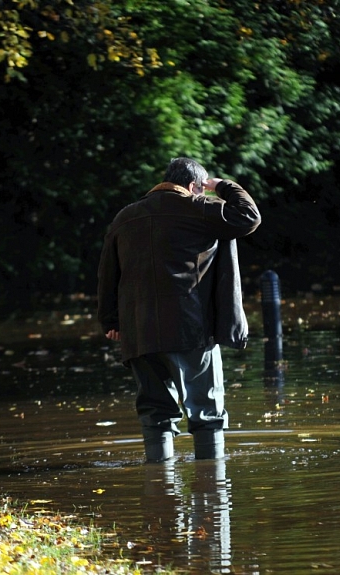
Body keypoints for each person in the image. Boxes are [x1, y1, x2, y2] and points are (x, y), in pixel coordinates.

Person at [97, 157, 262, 462]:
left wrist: (110, 320)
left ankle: (159, 487)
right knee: (207, 412)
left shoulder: (125, 217)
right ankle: (213, 493)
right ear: (192, 186)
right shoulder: (199, 208)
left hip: (138, 333)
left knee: (155, 411)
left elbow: (108, 272)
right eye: (202, 188)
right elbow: (249, 217)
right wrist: (223, 186)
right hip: (189, 329)